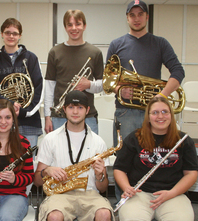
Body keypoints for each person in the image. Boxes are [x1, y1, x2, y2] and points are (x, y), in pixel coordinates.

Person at [106, 0, 185, 201]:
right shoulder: (117, 44)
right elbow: (108, 79)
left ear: (147, 17)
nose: (136, 18)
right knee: (124, 160)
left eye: (140, 14)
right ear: (127, 18)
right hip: (127, 112)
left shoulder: (160, 43)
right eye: (132, 15)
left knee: (155, 158)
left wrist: (162, 96)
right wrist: (119, 90)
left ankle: (155, 200)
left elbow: (178, 71)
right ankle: (124, 204)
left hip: (156, 113)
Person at [113, 96, 198, 221]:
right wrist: (126, 187)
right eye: (155, 113)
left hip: (174, 194)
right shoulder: (134, 138)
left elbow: (191, 173)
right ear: (148, 116)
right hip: (139, 194)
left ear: (171, 114)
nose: (160, 116)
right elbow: (119, 169)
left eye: (164, 112)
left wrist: (172, 193)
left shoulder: (184, 140)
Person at [35, 90, 114, 221]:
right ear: (64, 109)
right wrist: (46, 171)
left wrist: (100, 176)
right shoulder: (50, 139)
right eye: (71, 107)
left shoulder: (99, 141)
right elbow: (37, 181)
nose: (75, 112)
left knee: (105, 214)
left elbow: (103, 188)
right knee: (54, 216)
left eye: (80, 107)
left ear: (87, 110)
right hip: (58, 195)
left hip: (90, 194)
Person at [0, 17, 43, 148]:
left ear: (20, 36)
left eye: (15, 33)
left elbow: (39, 89)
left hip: (27, 121)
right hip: (1, 121)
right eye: (7, 32)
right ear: (2, 34)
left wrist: (24, 111)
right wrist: (10, 105)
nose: (11, 36)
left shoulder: (31, 58)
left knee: (26, 162)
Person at [44, 9, 104, 135]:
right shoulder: (55, 52)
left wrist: (89, 85)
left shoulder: (95, 52)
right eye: (69, 25)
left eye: (78, 24)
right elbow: (49, 87)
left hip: (88, 116)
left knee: (90, 154)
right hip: (59, 116)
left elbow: (102, 85)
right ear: (65, 27)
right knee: (59, 154)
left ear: (84, 26)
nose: (74, 28)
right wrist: (47, 116)